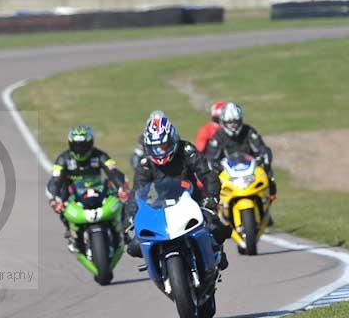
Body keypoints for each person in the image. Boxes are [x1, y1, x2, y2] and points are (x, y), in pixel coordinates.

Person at [126, 113, 230, 269]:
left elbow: (207, 174)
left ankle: (214, 257)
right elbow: (137, 191)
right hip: (159, 208)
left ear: (172, 139)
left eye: (162, 145)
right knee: (134, 247)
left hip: (191, 201)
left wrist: (212, 197)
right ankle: (159, 266)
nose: (159, 151)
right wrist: (132, 216)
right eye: (154, 147)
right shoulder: (145, 163)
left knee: (219, 229)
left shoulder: (187, 150)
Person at [46, 125, 129, 253]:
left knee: (116, 195)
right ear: (70, 145)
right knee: (61, 193)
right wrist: (54, 199)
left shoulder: (100, 155)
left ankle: (122, 228)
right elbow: (55, 180)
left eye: (84, 145)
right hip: (73, 194)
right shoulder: (63, 159)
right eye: (77, 145)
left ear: (91, 144)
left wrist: (122, 188)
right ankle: (71, 230)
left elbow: (114, 172)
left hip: (97, 190)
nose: (80, 149)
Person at [206, 102, 276, 197]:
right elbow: (210, 158)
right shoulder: (218, 136)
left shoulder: (249, 131)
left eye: (236, 122)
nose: (233, 125)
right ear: (223, 122)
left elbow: (262, 149)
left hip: (251, 174)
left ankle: (266, 202)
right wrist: (217, 167)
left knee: (268, 177)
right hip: (229, 177)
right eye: (230, 123)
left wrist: (261, 159)